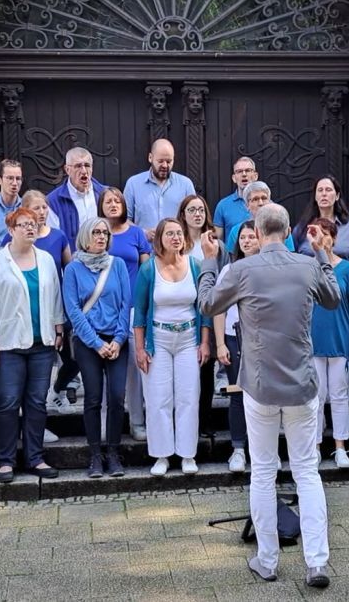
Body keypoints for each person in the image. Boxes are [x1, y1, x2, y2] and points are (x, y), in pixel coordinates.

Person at [198, 204, 340, 589]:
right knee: (307, 471)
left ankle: (267, 559)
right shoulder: (307, 265)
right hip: (301, 383)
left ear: (258, 234)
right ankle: (316, 562)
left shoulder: (243, 269)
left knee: (263, 471)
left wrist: (210, 263)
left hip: (260, 386)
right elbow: (333, 298)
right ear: (287, 232)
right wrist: (323, 254)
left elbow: (208, 304)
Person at [0, 207, 66, 483]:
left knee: (37, 403)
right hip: (8, 345)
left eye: (33, 224)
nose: (30, 228)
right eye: (23, 224)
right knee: (7, 402)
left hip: (42, 344)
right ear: (11, 230)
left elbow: (54, 296)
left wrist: (58, 326)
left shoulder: (46, 260)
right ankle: (5, 461)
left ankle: (35, 457)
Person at [133, 218, 209, 476]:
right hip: (159, 340)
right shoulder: (148, 269)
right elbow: (140, 312)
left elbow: (204, 309)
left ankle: (187, 454)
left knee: (188, 397)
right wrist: (140, 349)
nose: (175, 238)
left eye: (179, 233)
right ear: (160, 239)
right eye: (170, 234)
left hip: (188, 338)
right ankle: (162, 455)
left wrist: (205, 342)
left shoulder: (195, 265)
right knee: (158, 398)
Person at [63, 218, 132, 479]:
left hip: (116, 340)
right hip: (88, 341)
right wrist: (96, 343)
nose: (101, 236)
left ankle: (113, 452)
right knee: (93, 397)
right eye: (96, 232)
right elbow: (73, 310)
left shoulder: (118, 265)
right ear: (85, 236)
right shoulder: (73, 269)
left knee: (116, 396)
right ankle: (95, 455)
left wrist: (118, 339)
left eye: (104, 232)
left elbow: (126, 304)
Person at [4, 190, 74, 415]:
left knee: (73, 358)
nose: (42, 212)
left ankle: (58, 389)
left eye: (44, 207)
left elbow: (69, 270)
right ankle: (34, 406)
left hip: (57, 307)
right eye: (36, 208)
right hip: (26, 312)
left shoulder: (58, 236)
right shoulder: (12, 239)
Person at [309, 218, 349, 469]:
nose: (322, 240)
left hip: (340, 339)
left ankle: (341, 446)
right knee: (316, 397)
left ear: (333, 238)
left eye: (326, 234)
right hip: (313, 342)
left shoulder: (347, 269)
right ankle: (316, 445)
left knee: (340, 395)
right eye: (317, 235)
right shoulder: (308, 268)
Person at [99, 186, 153, 440]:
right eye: (108, 201)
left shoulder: (136, 234)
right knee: (103, 371)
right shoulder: (95, 233)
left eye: (117, 200)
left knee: (134, 368)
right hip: (103, 310)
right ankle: (105, 424)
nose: (113, 204)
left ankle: (137, 420)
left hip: (132, 308)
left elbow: (146, 272)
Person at [178, 194, 229, 437]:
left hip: (210, 311)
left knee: (205, 369)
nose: (197, 214)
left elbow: (226, 278)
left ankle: (205, 420)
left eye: (200, 210)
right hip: (182, 312)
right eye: (191, 210)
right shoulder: (178, 242)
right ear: (183, 214)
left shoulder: (216, 244)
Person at [213, 220, 257, 473]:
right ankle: (238, 448)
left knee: (264, 397)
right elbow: (218, 309)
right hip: (233, 337)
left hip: (263, 340)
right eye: (243, 237)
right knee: (238, 395)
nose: (247, 241)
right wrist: (220, 344)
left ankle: (263, 449)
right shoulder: (228, 270)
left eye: (252, 236)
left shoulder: (268, 269)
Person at [124, 139, 196, 238]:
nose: (165, 165)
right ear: (150, 158)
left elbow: (194, 220)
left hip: (177, 250)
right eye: (160, 161)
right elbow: (124, 220)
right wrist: (143, 233)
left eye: (169, 161)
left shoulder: (186, 184)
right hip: (145, 250)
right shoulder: (133, 184)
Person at [293, 175, 349, 269]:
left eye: (328, 189)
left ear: (337, 196)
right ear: (315, 196)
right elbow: (291, 259)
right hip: (310, 282)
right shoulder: (302, 228)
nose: (324, 194)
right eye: (320, 190)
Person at [47, 146, 106, 248]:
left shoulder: (105, 194)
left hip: (103, 259)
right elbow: (54, 239)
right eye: (78, 166)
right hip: (72, 260)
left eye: (87, 165)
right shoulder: (53, 201)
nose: (83, 171)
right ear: (67, 169)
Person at [224, 181, 295, 253]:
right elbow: (232, 257)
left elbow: (289, 255)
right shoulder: (236, 231)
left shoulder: (281, 227)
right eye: (255, 199)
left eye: (264, 198)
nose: (261, 203)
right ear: (247, 205)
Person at [212, 156, 258, 241]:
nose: (244, 174)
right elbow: (218, 240)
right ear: (234, 178)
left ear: (255, 176)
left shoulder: (267, 205)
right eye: (239, 171)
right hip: (232, 254)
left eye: (248, 170)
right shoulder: (223, 205)